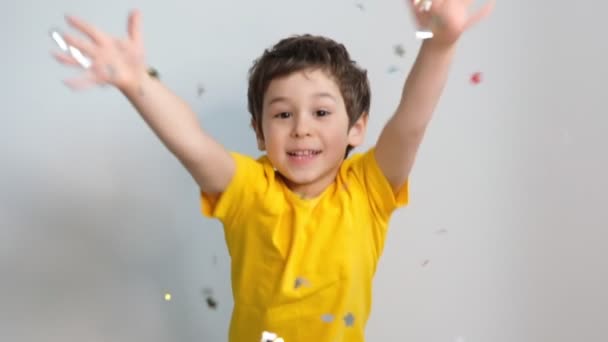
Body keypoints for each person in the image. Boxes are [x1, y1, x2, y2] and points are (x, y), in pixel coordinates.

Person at [53, 1, 493, 341]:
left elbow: (410, 125)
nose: (302, 128)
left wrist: (440, 45)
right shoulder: (249, 190)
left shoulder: (368, 190)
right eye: (282, 115)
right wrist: (137, 82)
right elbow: (192, 143)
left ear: (356, 128)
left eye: (321, 112)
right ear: (260, 133)